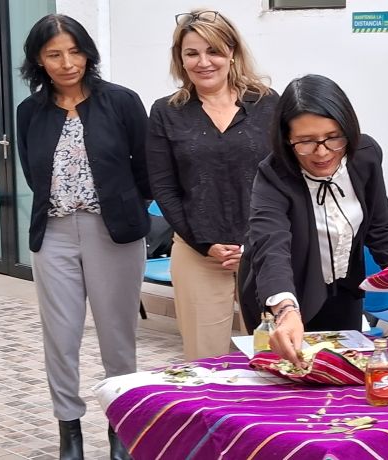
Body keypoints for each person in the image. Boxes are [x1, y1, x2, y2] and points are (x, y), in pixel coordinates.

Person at [16, 13, 149, 460]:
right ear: (39, 59)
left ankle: (120, 427)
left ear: (88, 52)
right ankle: (69, 431)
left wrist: (124, 208)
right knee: (61, 334)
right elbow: (34, 173)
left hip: (113, 233)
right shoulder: (29, 111)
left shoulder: (122, 101)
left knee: (117, 336)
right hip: (53, 233)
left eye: (74, 51)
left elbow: (145, 170)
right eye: (54, 54)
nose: (66, 62)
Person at [239, 74, 388, 367]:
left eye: (333, 138)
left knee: (343, 377)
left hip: (344, 293)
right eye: (305, 142)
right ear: (286, 140)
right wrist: (285, 310)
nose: (322, 152)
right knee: (289, 381)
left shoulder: (365, 155)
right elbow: (270, 246)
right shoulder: (274, 175)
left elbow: (380, 228)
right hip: (286, 297)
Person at [147, 10, 278, 361]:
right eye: (192, 53)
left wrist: (256, 242)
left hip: (264, 253)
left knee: (275, 356)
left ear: (231, 52)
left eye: (214, 51)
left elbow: (283, 178)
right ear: (180, 58)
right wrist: (206, 244)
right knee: (206, 362)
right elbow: (164, 188)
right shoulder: (165, 112)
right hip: (198, 253)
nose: (204, 62)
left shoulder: (268, 104)